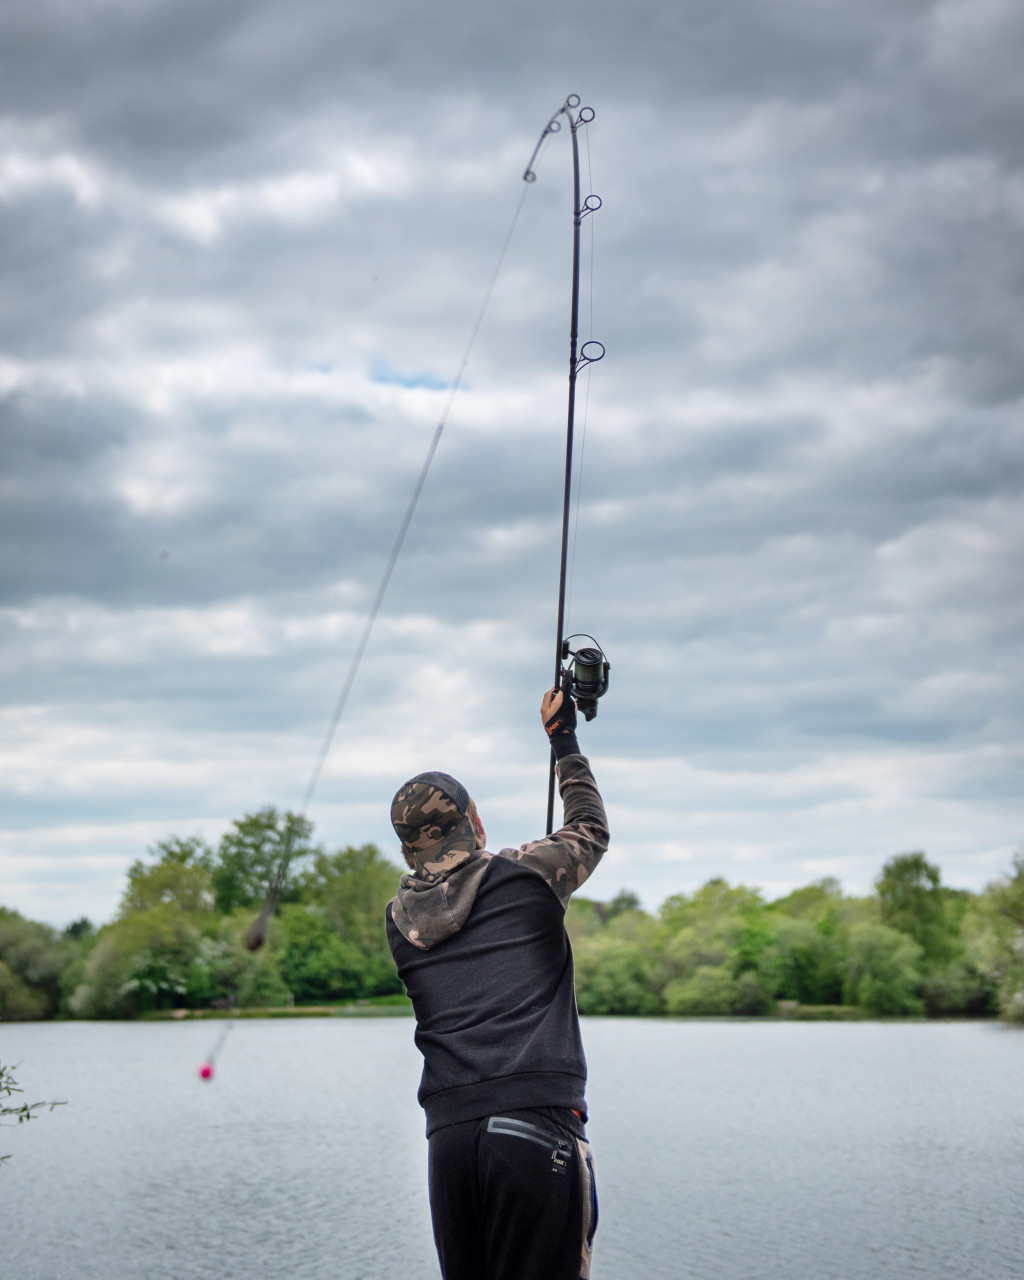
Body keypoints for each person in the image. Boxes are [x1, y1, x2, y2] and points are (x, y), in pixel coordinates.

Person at [385, 677, 610, 1280]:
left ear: (408, 849)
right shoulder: (527, 875)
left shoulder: (399, 922)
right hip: (535, 1126)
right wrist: (563, 739)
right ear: (475, 820)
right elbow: (590, 828)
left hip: (450, 1142)